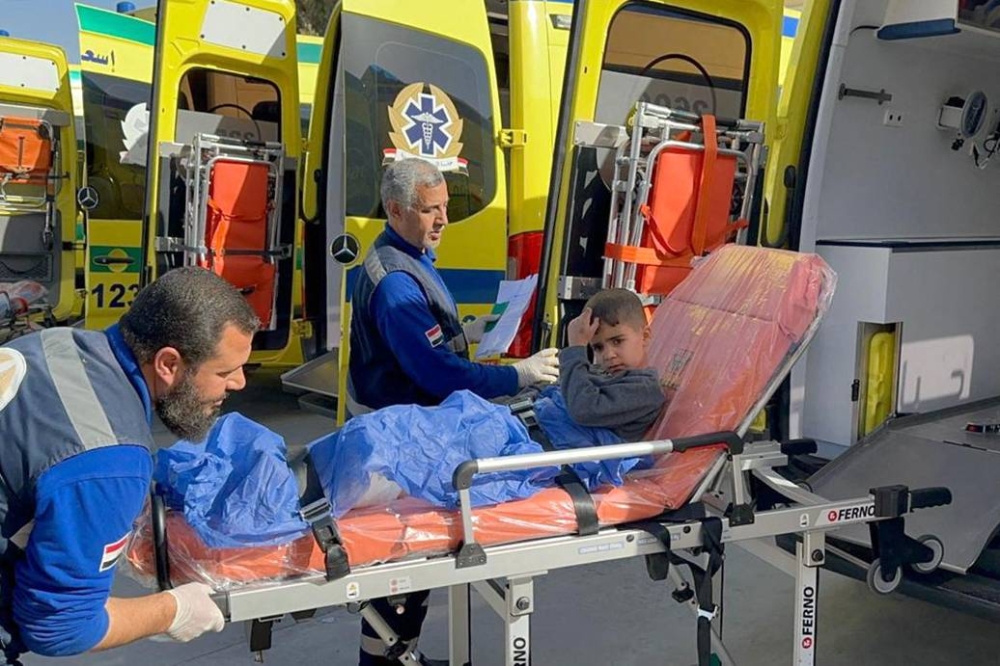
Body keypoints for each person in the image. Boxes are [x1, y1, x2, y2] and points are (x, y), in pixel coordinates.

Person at [348, 157, 559, 665]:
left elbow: (431, 343)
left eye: (446, 208)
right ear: (396, 210)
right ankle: (386, 660)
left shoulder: (406, 257)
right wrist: (518, 376)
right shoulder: (397, 283)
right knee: (401, 573)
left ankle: (397, 655)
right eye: (431, 210)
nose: (443, 220)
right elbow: (438, 374)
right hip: (401, 444)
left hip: (402, 431)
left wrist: (476, 335)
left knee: (406, 578)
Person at [0, 266, 258, 663]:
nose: (239, 382)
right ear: (168, 364)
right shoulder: (109, 458)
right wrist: (173, 610)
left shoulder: (58, 343)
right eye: (224, 371)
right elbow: (61, 627)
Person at [558, 288, 665, 441]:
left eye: (617, 341)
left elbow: (584, 409)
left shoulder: (645, 390)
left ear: (645, 337)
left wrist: (575, 349)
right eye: (598, 347)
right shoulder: (602, 374)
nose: (608, 355)